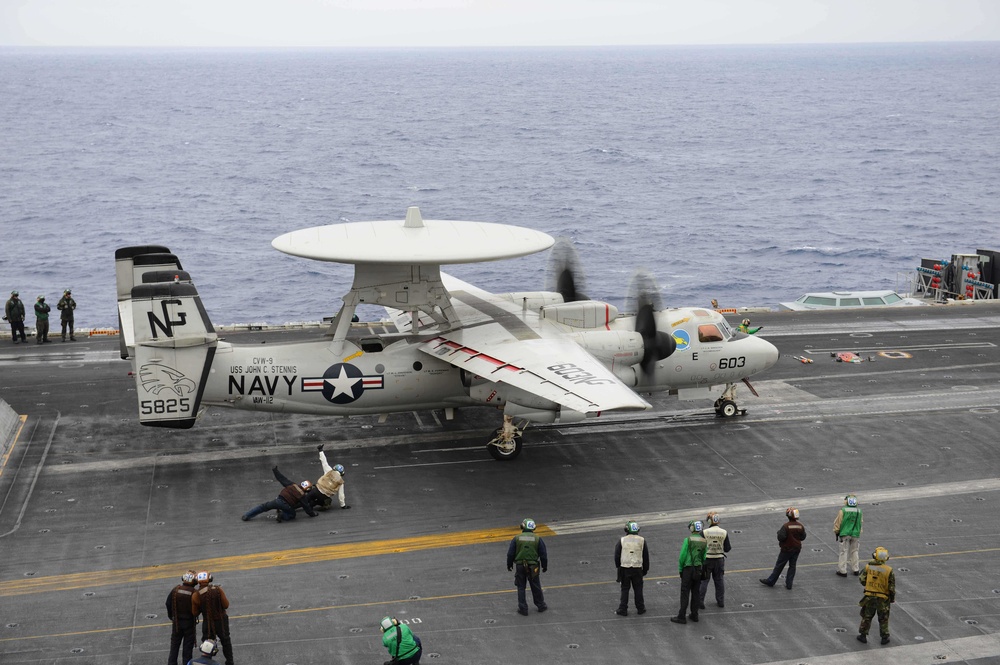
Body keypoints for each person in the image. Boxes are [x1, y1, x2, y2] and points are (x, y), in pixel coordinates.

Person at [241, 468, 318, 522]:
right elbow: (307, 508)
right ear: (307, 489)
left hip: (277, 500)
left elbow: (282, 479)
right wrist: (313, 514)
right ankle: (282, 515)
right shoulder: (302, 495)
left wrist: (275, 471)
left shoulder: (292, 485)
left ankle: (247, 515)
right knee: (292, 514)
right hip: (286, 505)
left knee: (263, 507)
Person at [506, 517, 548, 616]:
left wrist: (509, 564)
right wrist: (544, 566)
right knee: (536, 586)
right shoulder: (538, 539)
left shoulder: (517, 538)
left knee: (521, 587)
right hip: (533, 566)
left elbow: (510, 553)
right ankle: (541, 605)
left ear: (522, 526)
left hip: (520, 566)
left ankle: (523, 608)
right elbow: (543, 554)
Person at [191, 572, 234, 665]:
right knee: (225, 640)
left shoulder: (196, 595)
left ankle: (206, 661)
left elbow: (195, 612)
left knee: (207, 641)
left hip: (208, 622)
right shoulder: (218, 590)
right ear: (210, 579)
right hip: (221, 620)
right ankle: (230, 661)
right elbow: (226, 605)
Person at [760, 507, 807, 590]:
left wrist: (779, 533)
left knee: (779, 565)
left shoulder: (786, 526)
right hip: (796, 549)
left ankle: (771, 581)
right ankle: (789, 584)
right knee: (792, 566)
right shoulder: (800, 526)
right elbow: (803, 537)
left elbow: (781, 537)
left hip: (787, 549)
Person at [857, 546, 895, 645]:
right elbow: (891, 587)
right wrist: (892, 598)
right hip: (883, 598)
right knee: (883, 618)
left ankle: (863, 635)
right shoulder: (888, 570)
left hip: (869, 596)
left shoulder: (868, 567)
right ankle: (884, 637)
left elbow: (862, 580)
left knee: (867, 616)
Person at [671, 520, 707, 624]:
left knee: (685, 592)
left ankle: (682, 616)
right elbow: (705, 557)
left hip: (688, 569)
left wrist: (680, 569)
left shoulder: (688, 540)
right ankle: (694, 614)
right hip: (698, 569)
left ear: (692, 528)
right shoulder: (704, 541)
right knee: (695, 592)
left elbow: (682, 556)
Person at [614, 520, 649, 616]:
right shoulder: (642, 540)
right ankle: (640, 608)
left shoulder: (622, 540)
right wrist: (645, 569)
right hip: (637, 568)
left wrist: (618, 566)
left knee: (625, 588)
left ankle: (623, 608)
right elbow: (645, 556)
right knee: (638, 588)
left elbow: (617, 555)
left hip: (625, 568)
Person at [699, 511, 732, 609]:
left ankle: (700, 601)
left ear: (709, 521)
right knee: (719, 580)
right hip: (719, 560)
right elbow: (727, 548)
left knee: (704, 581)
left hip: (707, 560)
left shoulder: (704, 532)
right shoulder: (724, 532)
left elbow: (699, 547)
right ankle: (720, 601)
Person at [166, 570, 198, 665]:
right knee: (187, 649)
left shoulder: (175, 590)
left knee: (174, 647)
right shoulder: (194, 592)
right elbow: (197, 608)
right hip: (189, 623)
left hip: (177, 623)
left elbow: (168, 604)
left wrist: (172, 617)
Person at [834, 494, 863, 577]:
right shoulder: (859, 511)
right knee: (855, 551)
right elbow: (860, 523)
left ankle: (842, 570)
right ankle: (856, 569)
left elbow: (838, 522)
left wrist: (836, 532)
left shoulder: (843, 510)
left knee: (843, 552)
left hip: (845, 534)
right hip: (856, 534)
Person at [314, 444, 349, 510]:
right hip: (324, 495)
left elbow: (324, 461)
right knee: (328, 501)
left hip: (316, 488)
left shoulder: (329, 470)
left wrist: (320, 450)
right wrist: (343, 505)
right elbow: (341, 495)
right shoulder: (341, 482)